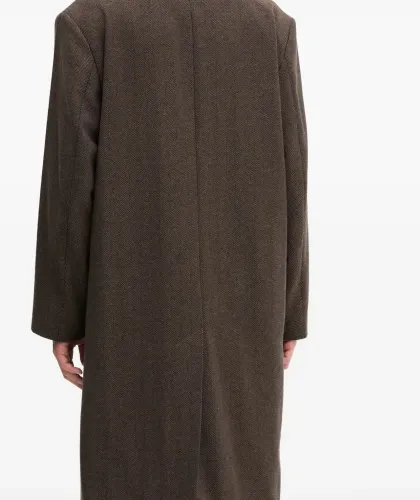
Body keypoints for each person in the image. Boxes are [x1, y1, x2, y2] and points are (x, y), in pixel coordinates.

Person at [31, 0, 309, 498]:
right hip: (244, 316)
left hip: (130, 315)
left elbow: (70, 185)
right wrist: (289, 312)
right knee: (240, 477)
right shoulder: (270, 25)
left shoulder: (91, 23)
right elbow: (294, 175)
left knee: (129, 474)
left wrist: (64, 315)